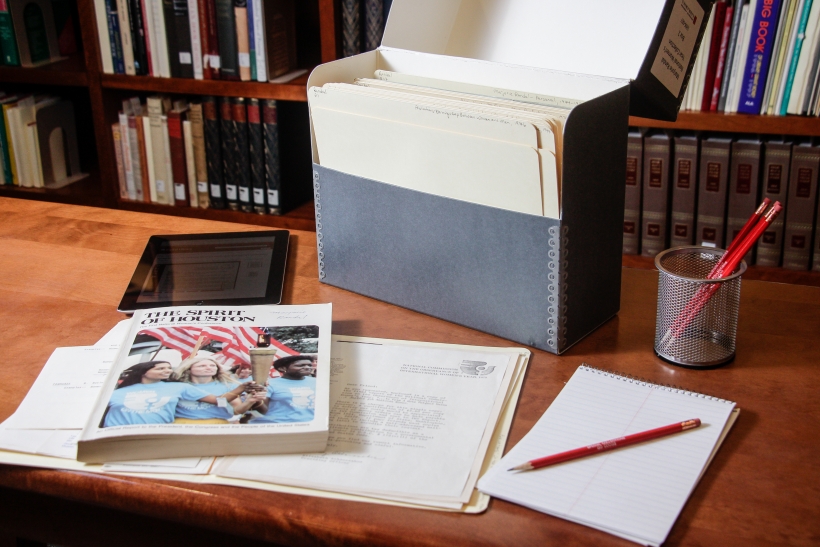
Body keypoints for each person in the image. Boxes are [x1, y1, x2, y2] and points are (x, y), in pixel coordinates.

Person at [103, 361, 218, 427]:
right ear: (143, 372)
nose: (168, 370)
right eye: (160, 368)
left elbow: (217, 401)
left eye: (168, 368)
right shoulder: (116, 392)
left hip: (157, 434)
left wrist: (233, 405)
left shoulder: (180, 387)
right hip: (114, 435)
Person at [171, 357, 264, 424]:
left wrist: (249, 402)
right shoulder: (177, 386)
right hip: (184, 424)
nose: (209, 368)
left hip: (217, 424)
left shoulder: (229, 385)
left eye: (212, 365)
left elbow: (236, 411)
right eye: (202, 366)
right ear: (188, 369)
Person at [251, 355, 317, 424]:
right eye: (300, 365)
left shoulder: (317, 382)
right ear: (282, 368)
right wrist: (256, 398)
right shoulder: (269, 384)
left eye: (309, 365)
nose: (307, 368)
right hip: (277, 425)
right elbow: (261, 410)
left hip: (310, 425)